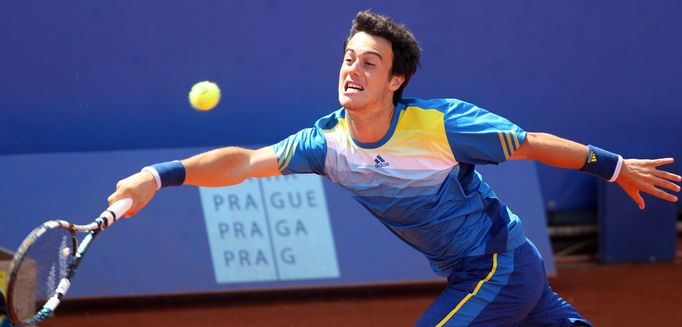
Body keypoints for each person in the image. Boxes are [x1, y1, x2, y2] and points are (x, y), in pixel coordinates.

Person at [108, 10, 680, 327]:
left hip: (498, 265)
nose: (353, 70)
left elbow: (531, 144)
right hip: (481, 270)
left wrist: (614, 168)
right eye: (348, 58)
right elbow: (243, 163)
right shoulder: (326, 142)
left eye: (370, 63)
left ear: (395, 80)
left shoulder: (442, 125)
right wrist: (159, 175)